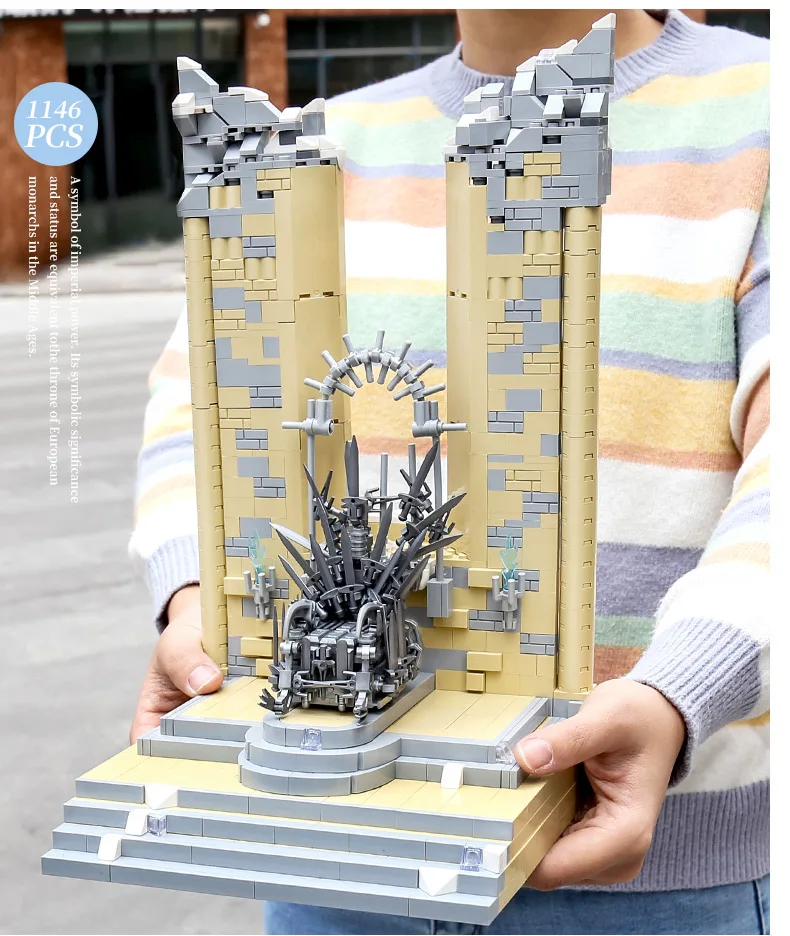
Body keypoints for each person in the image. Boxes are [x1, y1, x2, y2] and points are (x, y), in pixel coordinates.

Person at [128, 9, 769, 935]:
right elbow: (199, 401)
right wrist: (198, 598)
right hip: (336, 876)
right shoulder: (324, 136)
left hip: (661, 880)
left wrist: (683, 686)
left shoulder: (766, 108)